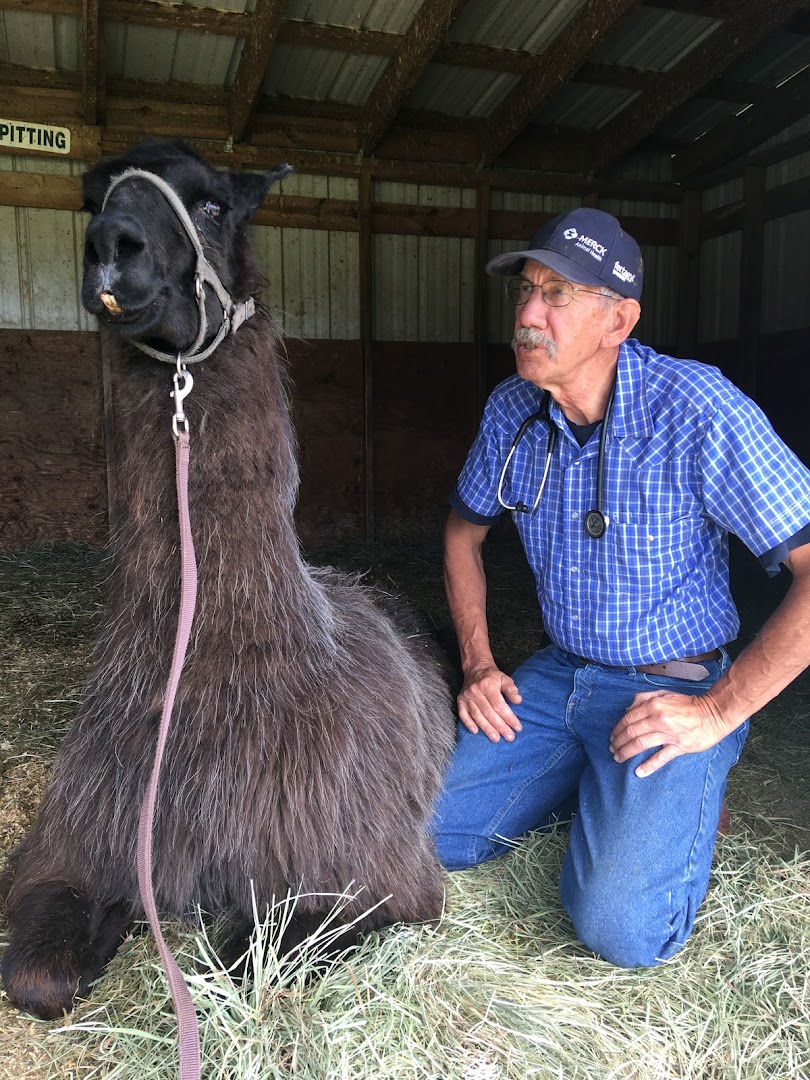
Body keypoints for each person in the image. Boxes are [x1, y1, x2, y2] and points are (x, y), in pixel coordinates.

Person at [431, 207, 810, 968]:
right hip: (557, 673)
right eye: (527, 292)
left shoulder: (697, 408)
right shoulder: (512, 411)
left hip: (668, 686)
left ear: (619, 319)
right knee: (420, 837)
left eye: (557, 295)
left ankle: (695, 778)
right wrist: (477, 664)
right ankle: (599, 780)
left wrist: (714, 711)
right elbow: (460, 536)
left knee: (620, 930)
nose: (529, 315)